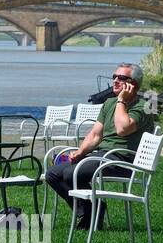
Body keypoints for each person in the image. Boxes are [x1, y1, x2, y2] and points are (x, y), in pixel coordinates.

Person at [44, 62, 153, 229]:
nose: (115, 81)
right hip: (103, 156)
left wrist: (122, 102)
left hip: (123, 160)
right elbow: (95, 135)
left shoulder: (144, 107)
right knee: (53, 174)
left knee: (71, 173)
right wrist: (80, 152)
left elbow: (122, 129)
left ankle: (92, 216)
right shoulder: (109, 103)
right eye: (114, 77)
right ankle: (92, 210)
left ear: (134, 85)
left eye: (122, 78)